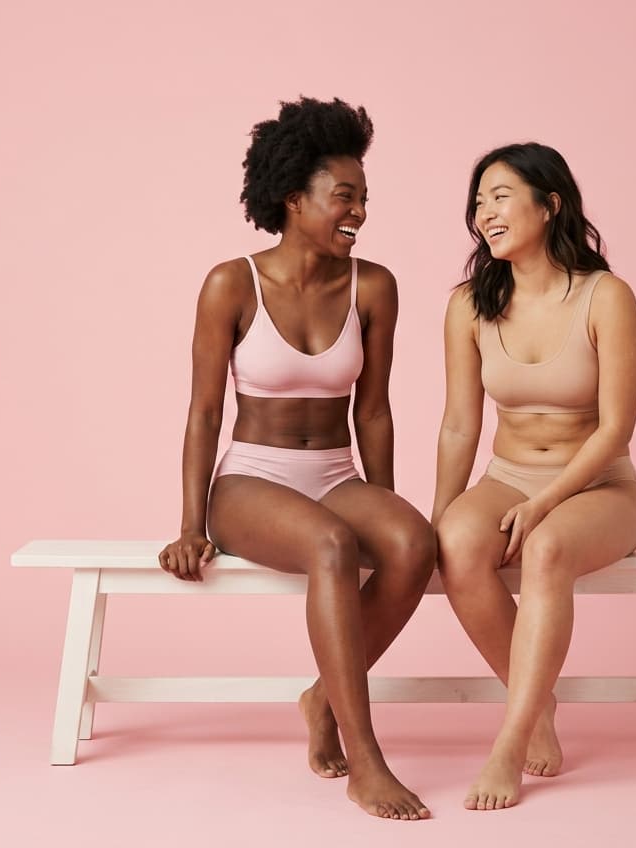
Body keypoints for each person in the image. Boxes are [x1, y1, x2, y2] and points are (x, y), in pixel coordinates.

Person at [158, 97, 435, 821]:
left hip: (337, 474)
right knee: (330, 545)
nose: (360, 212)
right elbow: (205, 412)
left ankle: (320, 696)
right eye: (345, 197)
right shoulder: (231, 283)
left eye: (364, 198)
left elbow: (372, 410)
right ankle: (366, 760)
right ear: (293, 199)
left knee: (413, 542)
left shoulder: (374, 286)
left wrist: (389, 507)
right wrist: (191, 525)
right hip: (253, 478)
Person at [432, 142, 636, 811]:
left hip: (597, 486)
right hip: (507, 476)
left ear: (550, 204)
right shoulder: (469, 304)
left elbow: (616, 428)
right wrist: (442, 517)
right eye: (478, 201)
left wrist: (548, 501)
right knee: (459, 545)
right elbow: (460, 425)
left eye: (500, 196)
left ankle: (511, 738)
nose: (484, 212)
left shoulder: (606, 296)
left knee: (547, 548)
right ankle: (541, 704)